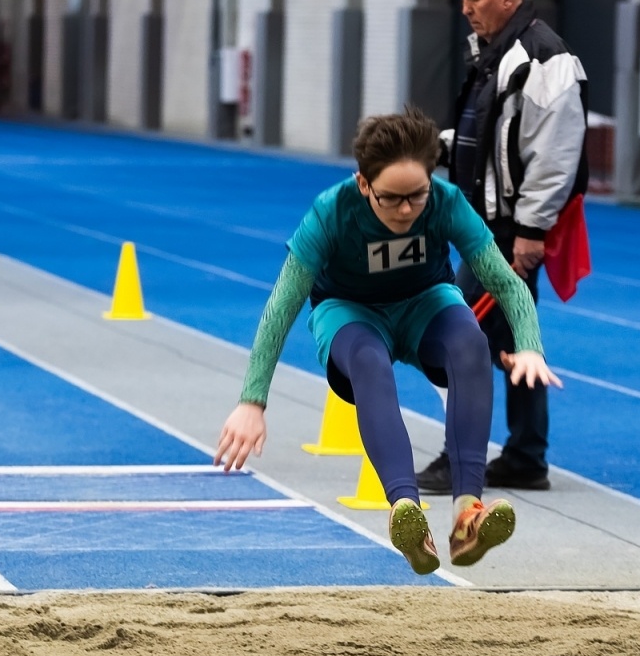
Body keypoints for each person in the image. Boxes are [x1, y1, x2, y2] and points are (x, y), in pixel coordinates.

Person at [215, 108, 560, 574]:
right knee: (369, 361)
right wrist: (252, 400)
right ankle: (406, 512)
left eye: (416, 197)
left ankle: (467, 516)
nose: (404, 210)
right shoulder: (330, 212)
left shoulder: (446, 201)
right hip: (350, 310)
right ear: (363, 185)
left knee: (471, 344)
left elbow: (506, 281)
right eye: (390, 199)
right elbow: (283, 305)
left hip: (424, 303)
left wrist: (530, 345)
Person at [416, 0, 587, 494]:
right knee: (516, 341)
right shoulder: (495, 54)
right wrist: (425, 151)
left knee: (455, 337)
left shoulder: (543, 59)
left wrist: (531, 234)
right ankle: (525, 456)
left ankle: (460, 457)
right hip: (485, 227)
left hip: (506, 234)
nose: (465, 8)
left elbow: (555, 156)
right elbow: (487, 142)